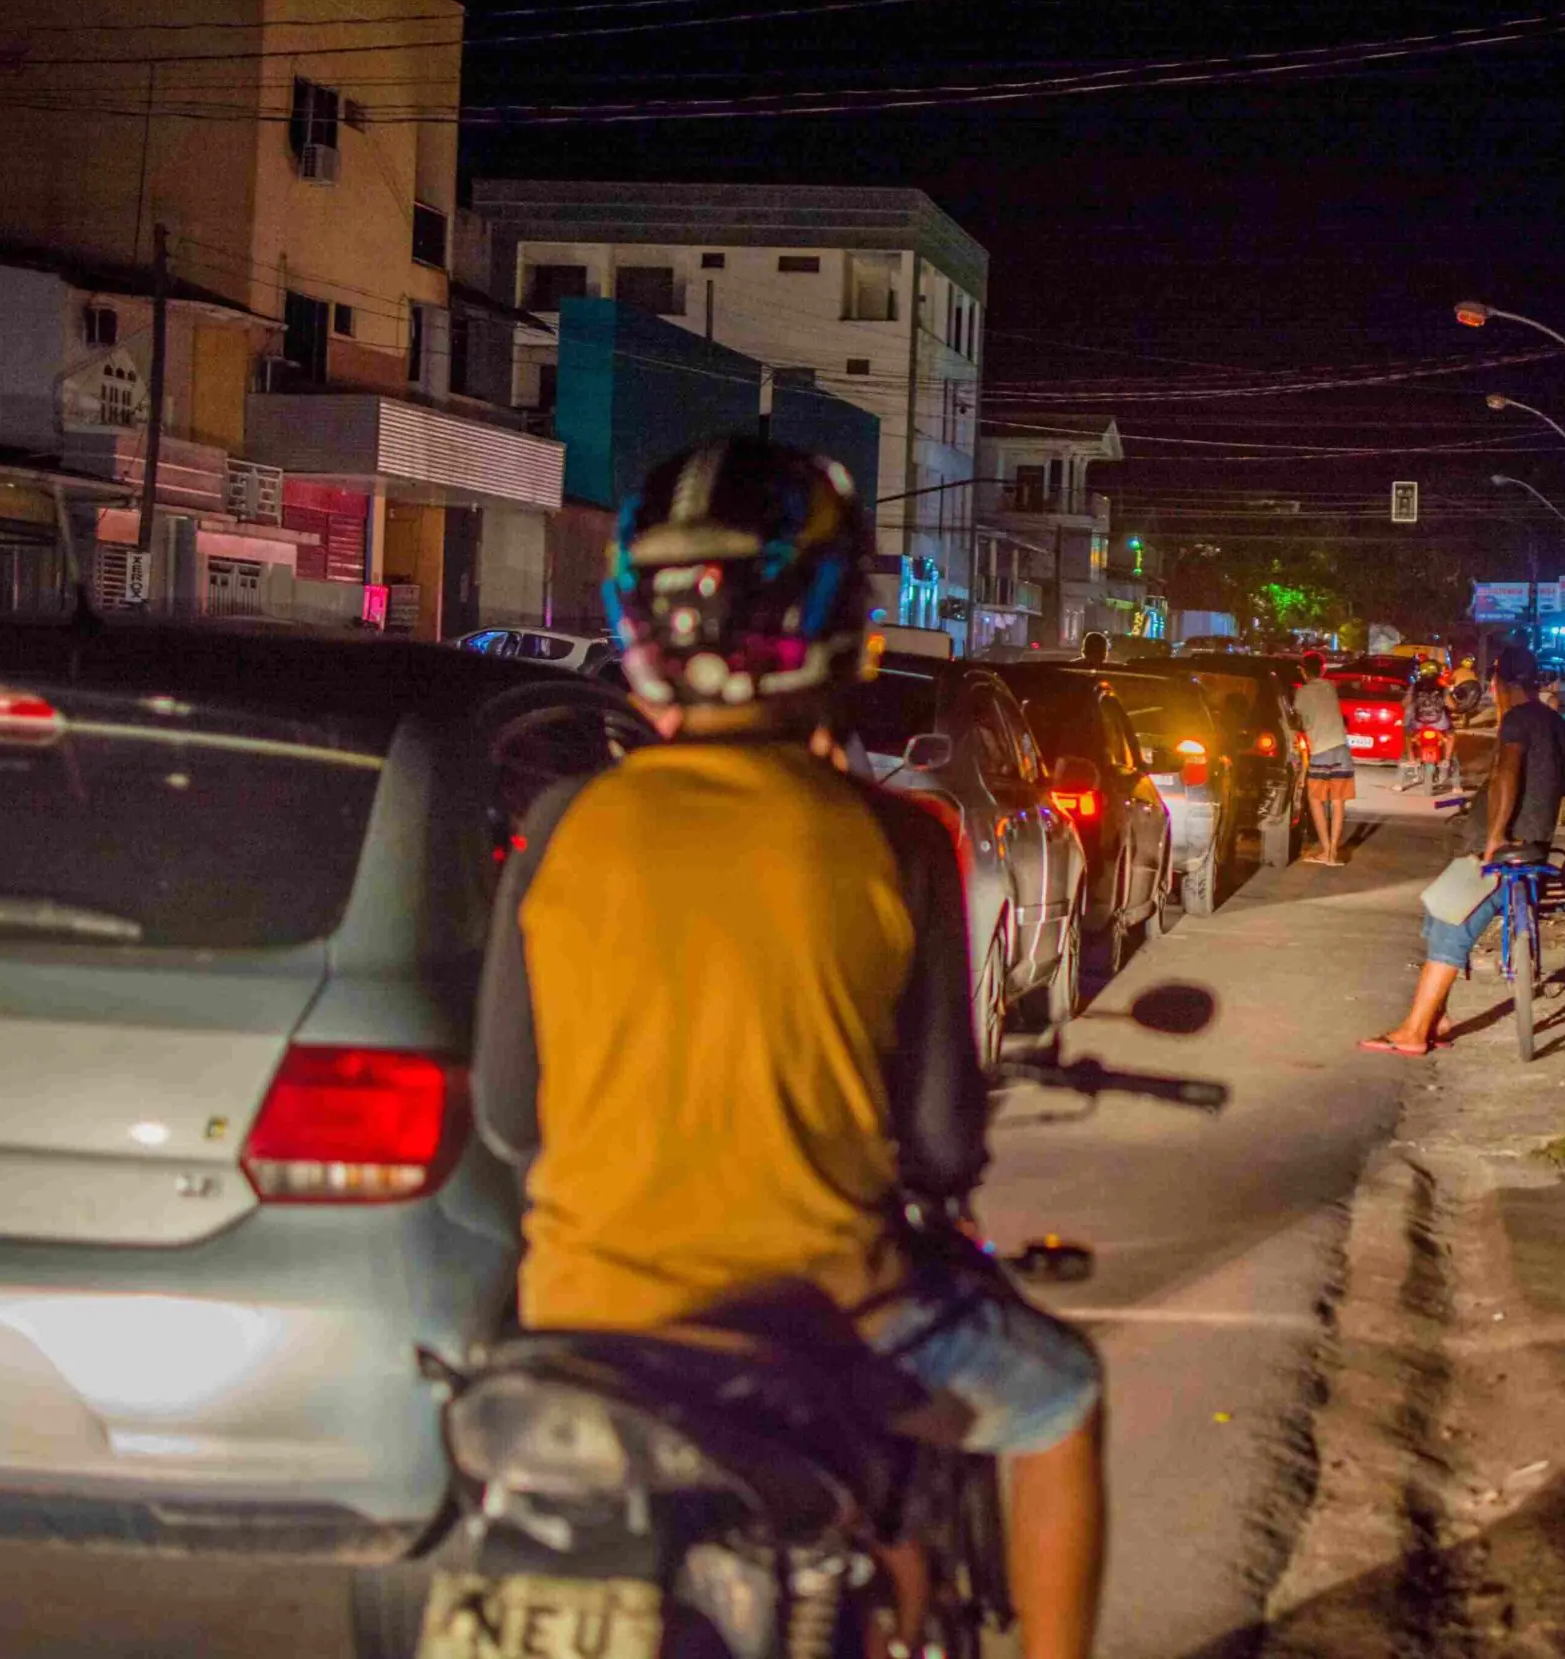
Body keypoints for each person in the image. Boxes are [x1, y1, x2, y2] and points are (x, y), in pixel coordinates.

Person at [474, 439, 1106, 1659]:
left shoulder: (561, 825)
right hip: (826, 1314)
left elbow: (510, 1111)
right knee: (1061, 1399)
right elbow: (938, 1142)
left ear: (637, 622)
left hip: (581, 1317)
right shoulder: (894, 838)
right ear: (834, 617)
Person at [1361, 645, 1565, 1056]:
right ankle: (1438, 1018)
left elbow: (1507, 774)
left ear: (1499, 682)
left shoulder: (1517, 718)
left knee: (1450, 927)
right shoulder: (1556, 722)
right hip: (1536, 844)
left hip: (1497, 847)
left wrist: (1496, 835)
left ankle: (1414, 1032)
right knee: (1437, 909)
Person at [1294, 648, 1356, 864]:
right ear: (1322, 670)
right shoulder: (1330, 687)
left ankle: (1326, 848)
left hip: (1320, 751)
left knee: (1315, 800)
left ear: (1303, 671)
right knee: (1338, 801)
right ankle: (1333, 853)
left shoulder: (1302, 693)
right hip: (1341, 749)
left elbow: (1300, 721)